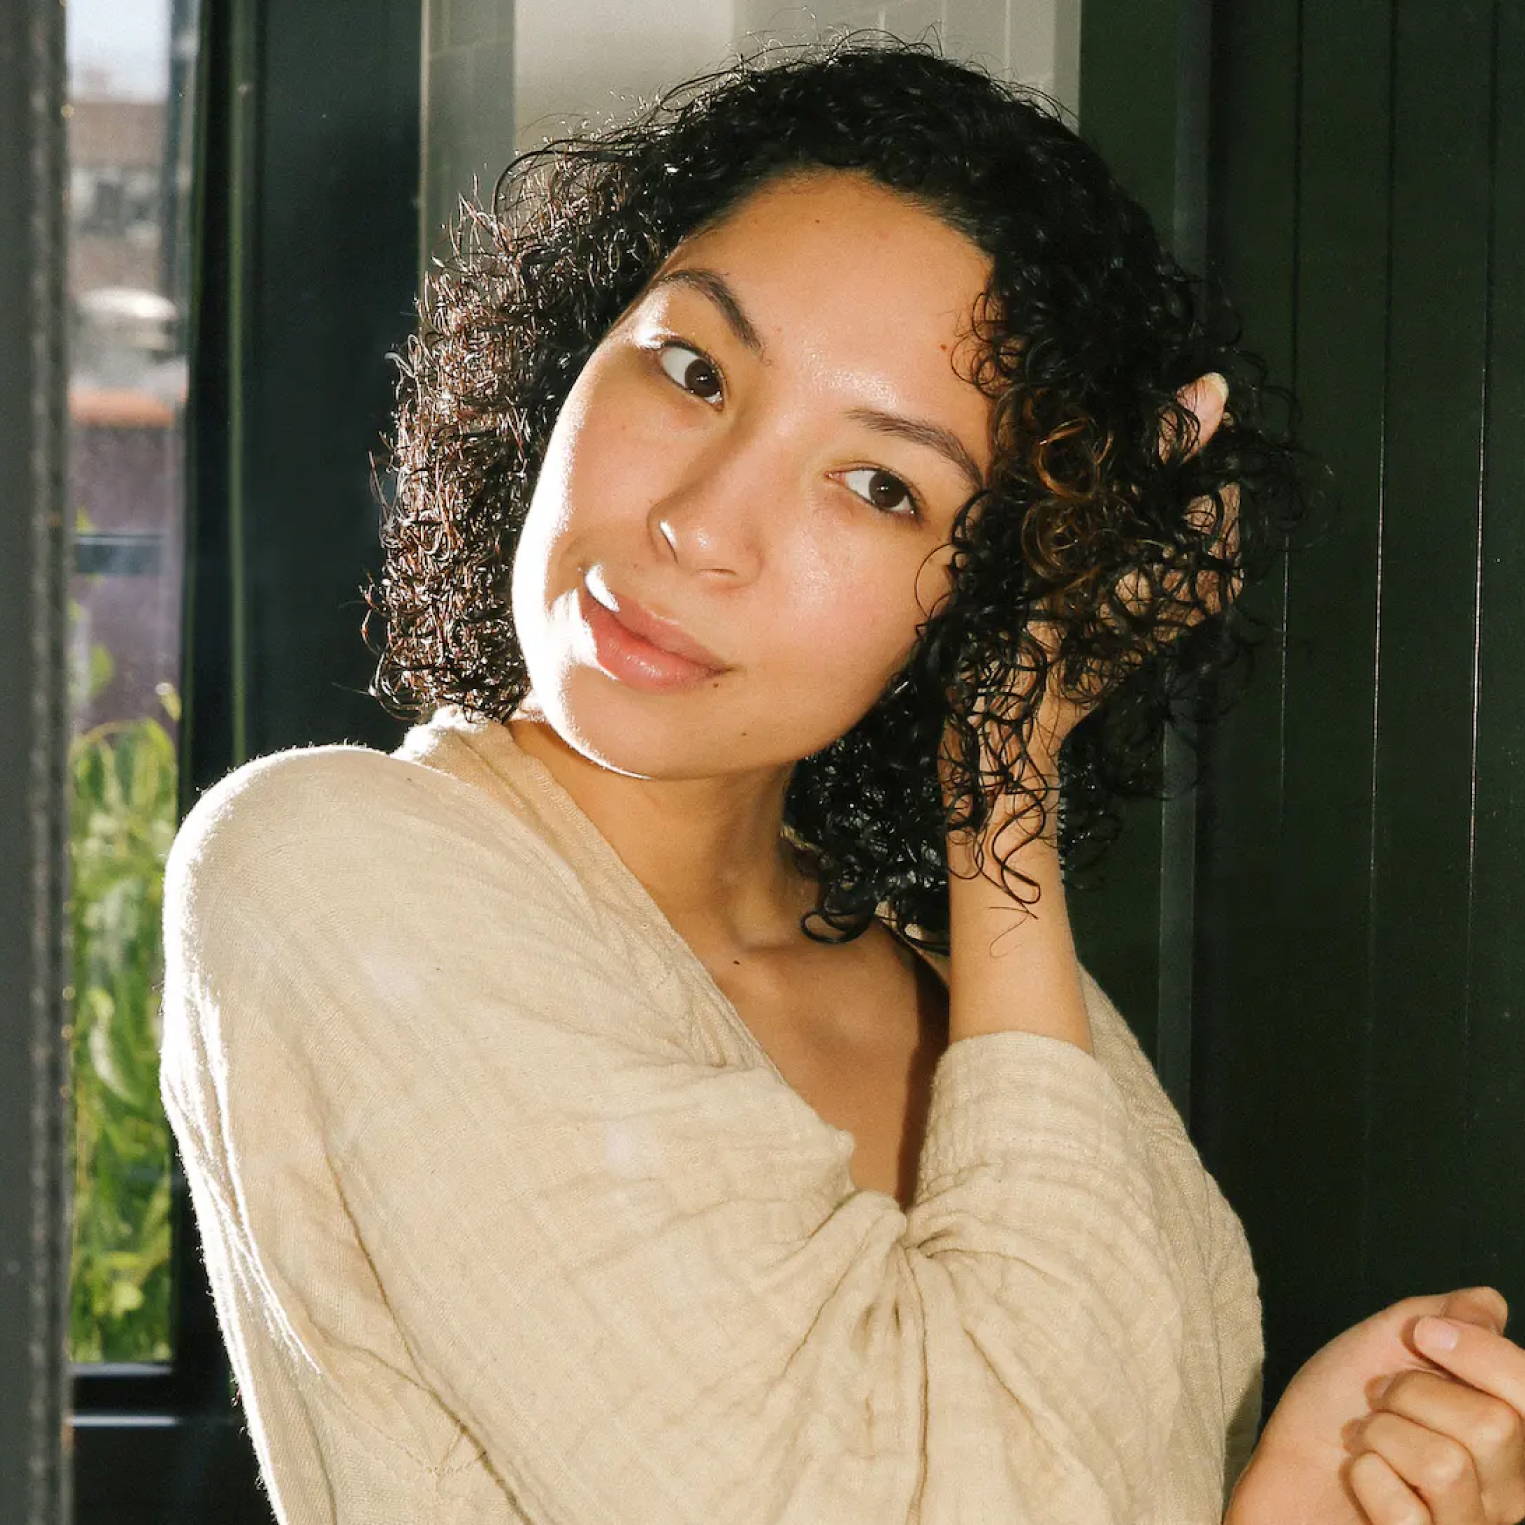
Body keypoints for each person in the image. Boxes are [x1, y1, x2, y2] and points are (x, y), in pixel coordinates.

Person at [159, 32, 1525, 1525]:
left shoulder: (1001, 1013)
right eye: (690, 369)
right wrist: (1003, 780)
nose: (700, 523)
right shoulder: (337, 871)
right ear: (570, 351)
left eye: (879, 485)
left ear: (991, 586)